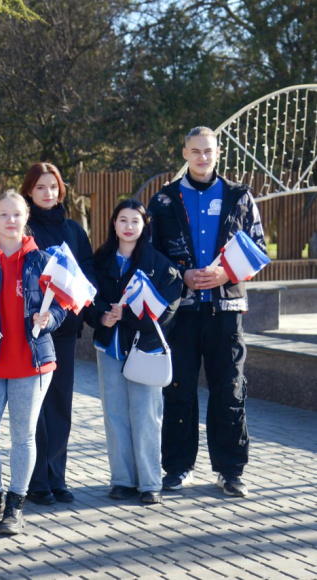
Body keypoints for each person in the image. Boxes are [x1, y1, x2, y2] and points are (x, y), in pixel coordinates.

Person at [149, 126, 266, 498]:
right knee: (179, 389)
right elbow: (151, 254)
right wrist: (181, 273)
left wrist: (223, 273)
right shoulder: (164, 200)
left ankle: (230, 470)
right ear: (184, 153)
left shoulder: (239, 197)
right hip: (180, 311)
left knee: (229, 389)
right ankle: (178, 467)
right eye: (195, 151)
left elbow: (259, 248)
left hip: (225, 309)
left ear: (218, 153)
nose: (202, 157)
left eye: (209, 151)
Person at [0, 191, 65, 535]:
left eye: (16, 214)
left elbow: (63, 305)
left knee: (23, 437)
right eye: (3, 214)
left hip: (32, 364)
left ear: (26, 219)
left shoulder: (43, 260)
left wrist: (48, 319)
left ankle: (15, 506)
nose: (10, 220)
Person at [84, 199, 182, 504]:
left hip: (144, 349)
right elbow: (85, 300)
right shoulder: (99, 261)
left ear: (144, 226)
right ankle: (123, 480)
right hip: (109, 347)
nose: (128, 226)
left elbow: (169, 308)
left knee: (146, 415)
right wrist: (102, 315)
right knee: (115, 415)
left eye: (135, 221)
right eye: (122, 220)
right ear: (114, 224)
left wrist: (126, 316)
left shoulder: (159, 264)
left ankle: (150, 483)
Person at [21, 162, 95, 506]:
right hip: (32, 331)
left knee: (60, 407)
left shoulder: (74, 231)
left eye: (53, 187)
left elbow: (87, 278)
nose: (48, 193)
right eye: (40, 188)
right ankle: (37, 482)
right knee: (35, 407)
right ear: (29, 192)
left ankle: (57, 476)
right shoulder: (23, 229)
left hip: (64, 330)